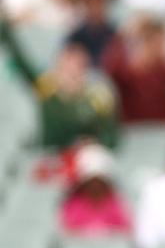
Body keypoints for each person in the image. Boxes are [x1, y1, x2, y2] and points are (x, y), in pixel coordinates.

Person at [0, 17, 119, 151]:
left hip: (82, 162)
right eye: (67, 65)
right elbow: (22, 62)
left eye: (78, 66)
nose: (72, 71)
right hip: (51, 160)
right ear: (59, 67)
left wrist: (96, 144)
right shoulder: (47, 88)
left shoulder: (96, 99)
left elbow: (111, 136)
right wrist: (6, 29)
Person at [102, 16, 165, 124]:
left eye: (164, 42)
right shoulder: (128, 68)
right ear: (146, 42)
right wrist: (124, 35)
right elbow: (110, 69)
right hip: (133, 130)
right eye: (158, 43)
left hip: (161, 129)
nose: (163, 48)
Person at [60, 143, 133, 237]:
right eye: (91, 182)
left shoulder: (117, 204)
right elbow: (66, 231)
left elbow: (126, 230)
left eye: (99, 182)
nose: (95, 186)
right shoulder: (73, 205)